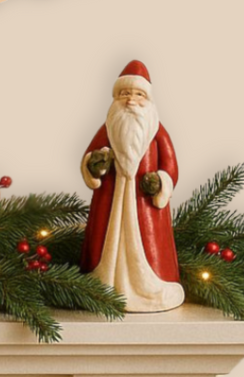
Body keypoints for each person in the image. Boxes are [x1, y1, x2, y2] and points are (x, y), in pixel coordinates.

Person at [79, 60, 185, 312]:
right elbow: (89, 157)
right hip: (110, 204)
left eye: (138, 94)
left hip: (144, 209)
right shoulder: (109, 128)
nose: (130, 101)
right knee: (107, 242)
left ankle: (151, 285)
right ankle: (104, 282)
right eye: (124, 94)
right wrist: (95, 165)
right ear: (116, 97)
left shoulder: (157, 131)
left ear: (147, 98)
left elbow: (171, 166)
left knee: (148, 248)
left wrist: (160, 182)